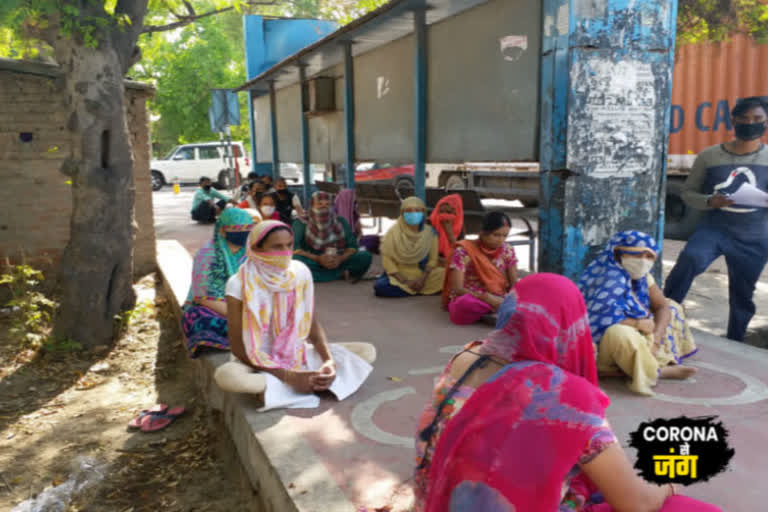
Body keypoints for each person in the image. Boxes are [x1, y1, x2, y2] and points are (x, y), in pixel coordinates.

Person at [417, 274, 721, 512]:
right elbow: (636, 503)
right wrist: (670, 484)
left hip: (442, 500)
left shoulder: (465, 359)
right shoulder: (563, 397)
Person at [214, 220, 376, 410]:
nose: (286, 252)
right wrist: (287, 376)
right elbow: (237, 347)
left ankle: (286, 387)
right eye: (277, 247)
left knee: (367, 351)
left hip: (295, 353)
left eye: (289, 245)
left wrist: (328, 361)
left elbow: (311, 325)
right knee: (227, 376)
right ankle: (291, 383)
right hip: (255, 360)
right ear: (257, 247)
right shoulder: (238, 283)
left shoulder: (300, 272)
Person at [664, 97, 768, 342]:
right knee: (690, 259)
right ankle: (664, 318)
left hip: (754, 236)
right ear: (733, 121)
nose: (749, 124)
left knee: (742, 294)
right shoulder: (709, 156)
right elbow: (689, 193)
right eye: (743, 119)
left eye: (757, 119)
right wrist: (710, 201)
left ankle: (736, 341)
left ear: (765, 123)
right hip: (716, 229)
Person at [579, 231, 697, 396]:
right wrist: (637, 324)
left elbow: (662, 306)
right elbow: (598, 319)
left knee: (672, 307)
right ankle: (656, 371)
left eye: (649, 257)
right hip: (601, 344)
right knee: (619, 333)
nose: (643, 261)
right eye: (636, 255)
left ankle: (641, 363)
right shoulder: (607, 276)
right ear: (618, 254)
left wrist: (656, 339)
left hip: (641, 333)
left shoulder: (642, 278)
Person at [181, 208, 255, 357]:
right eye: (237, 229)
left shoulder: (251, 253)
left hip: (246, 306)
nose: (244, 233)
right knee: (201, 320)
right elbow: (202, 297)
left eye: (248, 229)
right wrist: (237, 314)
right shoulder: (208, 254)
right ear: (222, 231)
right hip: (213, 307)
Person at [442, 211, 518, 325]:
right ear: (482, 232)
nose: (501, 240)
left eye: (505, 236)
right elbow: (457, 288)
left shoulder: (507, 250)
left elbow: (514, 284)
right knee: (462, 305)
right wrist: (487, 298)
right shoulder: (464, 251)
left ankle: (493, 312)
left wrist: (509, 298)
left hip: (500, 296)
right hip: (473, 296)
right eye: (496, 235)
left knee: (533, 292)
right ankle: (499, 311)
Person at [292, 191, 372, 282]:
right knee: (295, 260)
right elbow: (295, 248)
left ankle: (320, 275)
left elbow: (352, 246)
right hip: (312, 259)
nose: (323, 206)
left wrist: (340, 259)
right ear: (312, 205)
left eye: (327, 204)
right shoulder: (301, 222)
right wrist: (318, 259)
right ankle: (339, 274)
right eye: (319, 204)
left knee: (365, 256)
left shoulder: (340, 221)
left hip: (338, 259)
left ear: (332, 206)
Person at [374, 197, 445, 297]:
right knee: (380, 287)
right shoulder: (393, 232)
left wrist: (422, 279)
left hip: (424, 275)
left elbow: (433, 260)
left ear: (423, 213)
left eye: (417, 210)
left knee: (446, 275)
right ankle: (412, 288)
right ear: (402, 213)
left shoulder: (430, 233)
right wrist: (405, 281)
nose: (413, 213)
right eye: (408, 210)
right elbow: (387, 260)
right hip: (400, 275)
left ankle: (414, 288)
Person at [429, 194, 463, 264]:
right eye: (441, 212)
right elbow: (425, 256)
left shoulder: (460, 229)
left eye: (448, 212)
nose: (444, 216)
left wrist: (449, 233)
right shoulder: (429, 226)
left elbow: (460, 255)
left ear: (457, 213)